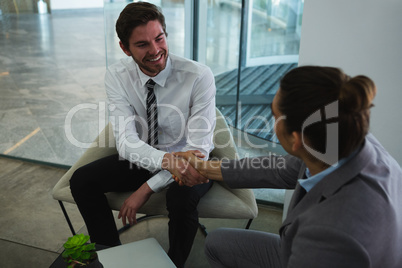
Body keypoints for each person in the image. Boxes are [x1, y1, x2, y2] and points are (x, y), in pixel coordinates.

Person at [174, 66, 402, 267]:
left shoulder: (332, 236)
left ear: (295, 139)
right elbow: (280, 167)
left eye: (273, 116)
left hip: (312, 253)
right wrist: (206, 168)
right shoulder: (345, 137)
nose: (269, 123)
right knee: (218, 242)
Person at [69, 2, 214, 267]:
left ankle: (174, 262)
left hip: (194, 162)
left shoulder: (198, 76)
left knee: (181, 200)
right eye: (142, 44)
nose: (156, 50)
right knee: (82, 180)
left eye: (159, 38)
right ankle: (111, 257)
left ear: (165, 34)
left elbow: (197, 152)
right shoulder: (117, 75)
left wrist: (146, 189)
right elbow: (126, 142)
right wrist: (164, 162)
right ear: (125, 48)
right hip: (147, 156)